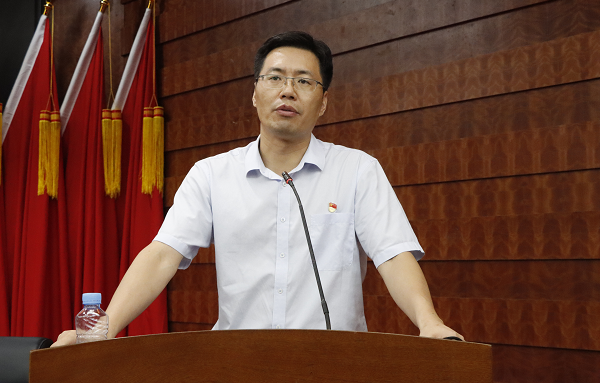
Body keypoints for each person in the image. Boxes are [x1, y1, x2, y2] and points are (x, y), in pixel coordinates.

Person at [52, 31, 462, 346]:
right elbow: (162, 255)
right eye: (275, 78)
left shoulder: (357, 170)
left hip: (333, 362)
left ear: (323, 102)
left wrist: (429, 322)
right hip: (237, 361)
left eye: (304, 81)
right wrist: (104, 329)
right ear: (254, 93)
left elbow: (392, 254)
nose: (288, 90)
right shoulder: (212, 174)